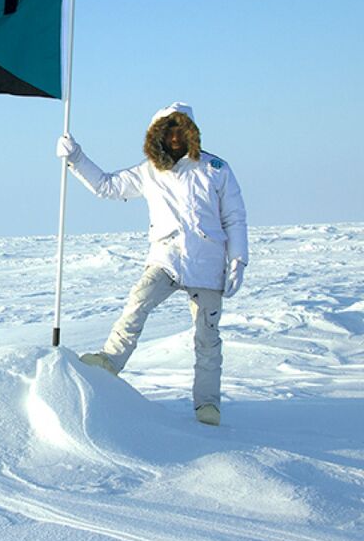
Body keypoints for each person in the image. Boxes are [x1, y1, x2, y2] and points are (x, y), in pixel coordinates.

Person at [56, 102, 248, 426]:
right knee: (138, 302)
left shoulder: (216, 169)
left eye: (180, 129)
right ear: (157, 135)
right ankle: (110, 360)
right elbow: (107, 186)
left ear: (190, 132)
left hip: (207, 263)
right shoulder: (149, 171)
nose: (174, 136)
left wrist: (238, 259)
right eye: (167, 130)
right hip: (166, 259)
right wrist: (76, 158)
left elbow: (235, 217)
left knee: (207, 337)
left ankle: (207, 406)